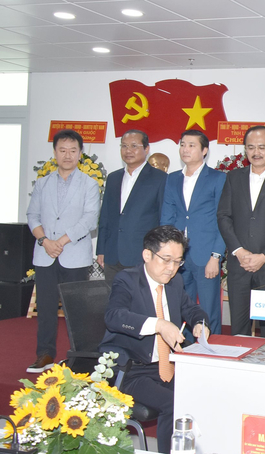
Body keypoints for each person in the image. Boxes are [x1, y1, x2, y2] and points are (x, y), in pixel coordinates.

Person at [99, 226, 209, 454]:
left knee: (202, 394)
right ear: (147, 255)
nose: (171, 268)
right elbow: (113, 316)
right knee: (175, 404)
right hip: (132, 370)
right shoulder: (127, 280)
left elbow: (192, 309)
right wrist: (158, 325)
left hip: (168, 365)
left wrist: (200, 323)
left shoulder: (175, 282)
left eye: (178, 261)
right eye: (166, 260)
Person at [25, 129, 101, 373]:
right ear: (55, 152)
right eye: (62, 150)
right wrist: (46, 240)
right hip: (45, 254)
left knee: (77, 310)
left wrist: (62, 241)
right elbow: (32, 215)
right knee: (46, 309)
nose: (67, 155)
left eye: (73, 150)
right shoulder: (42, 182)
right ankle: (44, 354)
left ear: (80, 154)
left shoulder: (89, 184)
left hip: (74, 256)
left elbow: (90, 219)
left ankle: (79, 357)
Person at [217, 126, 265, 336]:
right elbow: (223, 216)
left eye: (262, 147)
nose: (256, 152)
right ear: (245, 149)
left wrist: (264, 256)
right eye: (251, 147)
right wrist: (239, 251)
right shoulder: (233, 178)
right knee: (239, 330)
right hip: (239, 265)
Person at [160, 130, 227, 334]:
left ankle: (212, 356)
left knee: (208, 311)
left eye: (191, 145)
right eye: (182, 145)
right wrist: (166, 253)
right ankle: (186, 355)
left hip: (206, 256)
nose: (185, 149)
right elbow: (167, 217)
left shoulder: (217, 178)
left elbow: (223, 221)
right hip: (178, 257)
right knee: (181, 310)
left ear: (204, 150)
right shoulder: (172, 179)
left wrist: (216, 256)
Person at [97, 129, 167, 285]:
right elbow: (105, 216)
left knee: (140, 304)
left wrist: (159, 251)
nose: (128, 151)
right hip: (112, 254)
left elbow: (163, 218)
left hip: (142, 254)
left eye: (134, 146)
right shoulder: (113, 178)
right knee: (114, 303)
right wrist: (101, 249)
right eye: (124, 146)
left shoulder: (160, 178)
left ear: (146, 149)